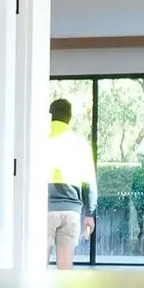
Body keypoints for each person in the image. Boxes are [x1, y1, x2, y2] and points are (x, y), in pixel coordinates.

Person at [47, 98, 97, 269]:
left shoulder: (39, 140)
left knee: (37, 269)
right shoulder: (81, 145)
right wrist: (89, 214)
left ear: (50, 116)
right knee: (65, 269)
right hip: (71, 211)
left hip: (44, 210)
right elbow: (89, 184)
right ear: (70, 117)